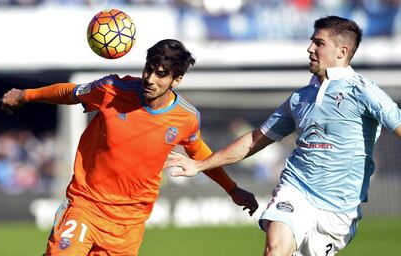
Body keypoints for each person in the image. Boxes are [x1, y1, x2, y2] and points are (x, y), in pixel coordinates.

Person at [164, 16, 401, 256]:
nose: (310, 48)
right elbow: (255, 140)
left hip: (339, 212)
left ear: (342, 51)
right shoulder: (300, 98)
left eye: (319, 43)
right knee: (275, 249)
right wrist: (200, 165)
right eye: (311, 42)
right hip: (296, 189)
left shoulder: (365, 92)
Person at [0, 39, 258, 256]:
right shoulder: (112, 89)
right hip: (86, 205)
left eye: (161, 74)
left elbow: (200, 154)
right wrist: (25, 95)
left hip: (129, 223)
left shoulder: (187, 118)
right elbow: (70, 92)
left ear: (176, 80)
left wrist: (232, 189)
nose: (150, 79)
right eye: (148, 69)